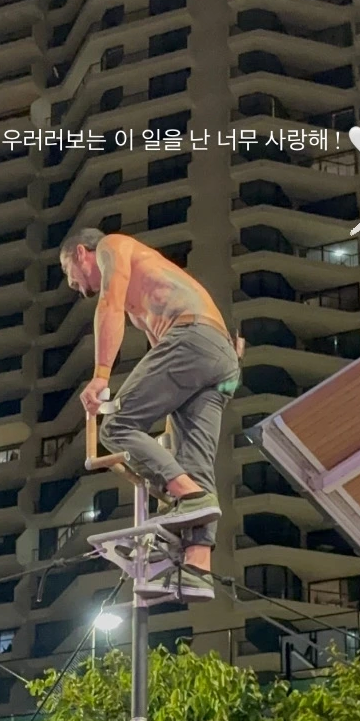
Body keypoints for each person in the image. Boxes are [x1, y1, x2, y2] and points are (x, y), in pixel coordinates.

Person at [61, 228, 241, 601]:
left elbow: (108, 305)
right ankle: (198, 568)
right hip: (221, 360)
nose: (73, 285)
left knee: (117, 426)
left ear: (81, 253)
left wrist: (100, 377)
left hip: (193, 338)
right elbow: (161, 362)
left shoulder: (112, 246)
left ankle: (187, 495)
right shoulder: (144, 299)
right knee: (191, 458)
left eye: (69, 272)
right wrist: (163, 451)